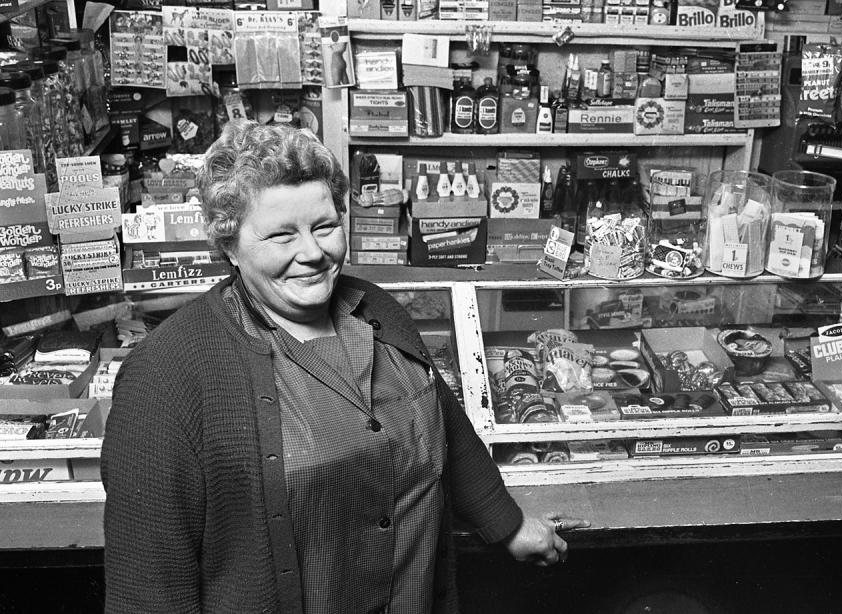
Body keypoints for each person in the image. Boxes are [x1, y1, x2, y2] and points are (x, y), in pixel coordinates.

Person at [101, 120, 588, 614]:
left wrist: (505, 521)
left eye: (325, 226)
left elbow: (443, 421)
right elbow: (147, 591)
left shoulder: (376, 308)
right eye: (281, 235)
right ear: (229, 243)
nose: (312, 253)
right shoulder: (165, 376)